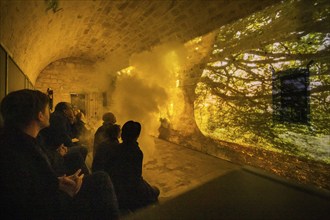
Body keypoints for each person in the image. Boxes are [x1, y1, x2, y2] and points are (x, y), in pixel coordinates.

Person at [0, 89, 119, 219]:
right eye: (48, 109)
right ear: (40, 115)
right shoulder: (15, 155)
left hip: (53, 193)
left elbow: (36, 182)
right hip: (53, 208)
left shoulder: (20, 140)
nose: (50, 113)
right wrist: (68, 192)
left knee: (96, 176)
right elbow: (29, 207)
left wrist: (58, 182)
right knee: (101, 181)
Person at [104, 120, 160, 212]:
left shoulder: (114, 148)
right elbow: (135, 180)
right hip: (126, 194)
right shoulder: (136, 152)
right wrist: (148, 190)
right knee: (156, 191)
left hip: (113, 187)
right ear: (136, 136)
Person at [39, 102, 89, 174]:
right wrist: (71, 146)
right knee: (82, 149)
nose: (72, 110)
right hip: (55, 150)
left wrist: (72, 122)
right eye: (71, 108)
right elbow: (64, 136)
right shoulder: (59, 117)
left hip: (56, 148)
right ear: (65, 111)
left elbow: (69, 134)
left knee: (78, 150)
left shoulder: (61, 117)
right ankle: (79, 175)